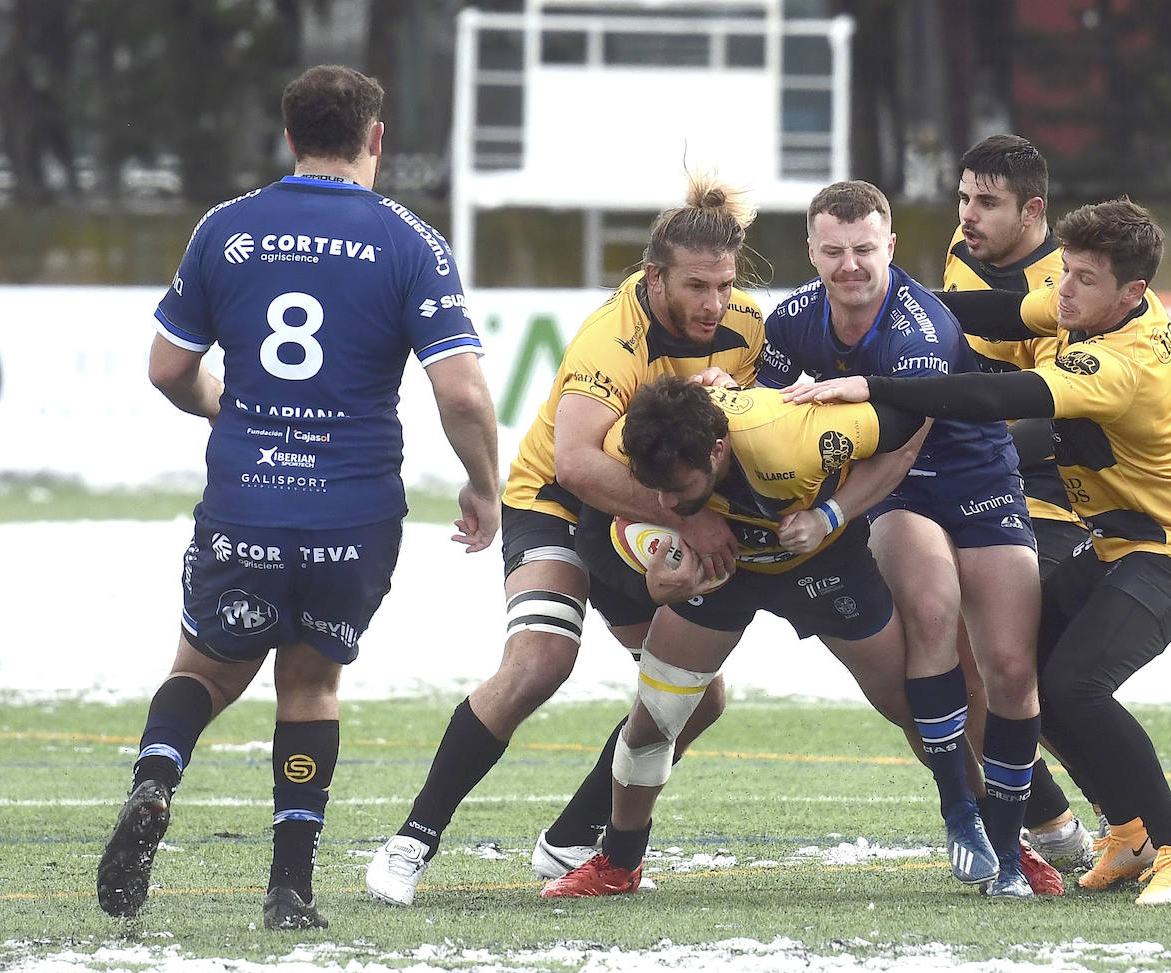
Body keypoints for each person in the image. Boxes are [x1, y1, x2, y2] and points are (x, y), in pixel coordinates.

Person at [95, 65, 500, 929]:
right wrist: (483, 485)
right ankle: (288, 891)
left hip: (246, 499)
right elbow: (462, 394)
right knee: (310, 686)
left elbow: (169, 367)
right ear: (376, 138)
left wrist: (222, 403)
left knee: (201, 670)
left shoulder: (227, 228)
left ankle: (156, 779)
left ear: (290, 137)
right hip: (351, 513)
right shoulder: (410, 240)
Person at [786, 197, 1171, 905]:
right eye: (1067, 272)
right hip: (1121, 541)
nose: (1064, 289)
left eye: (1084, 278)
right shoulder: (1085, 307)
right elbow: (990, 315)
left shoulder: (1119, 361)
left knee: (1077, 686)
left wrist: (874, 382)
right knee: (1025, 676)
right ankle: (1128, 832)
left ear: (1132, 293)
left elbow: (1001, 397)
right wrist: (888, 291)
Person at [364, 174, 764, 906]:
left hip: (640, 510)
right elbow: (579, 463)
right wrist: (685, 516)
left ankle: (575, 837)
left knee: (695, 700)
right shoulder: (611, 340)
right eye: (698, 286)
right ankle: (411, 842)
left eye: (725, 285)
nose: (715, 303)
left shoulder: (745, 325)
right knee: (542, 657)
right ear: (655, 278)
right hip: (555, 499)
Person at [541, 376, 959, 898]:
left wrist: (831, 514)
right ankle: (619, 863)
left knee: (919, 707)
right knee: (653, 723)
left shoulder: (792, 437)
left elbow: (913, 420)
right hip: (724, 572)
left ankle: (1006, 834)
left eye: (679, 488)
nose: (665, 503)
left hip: (819, 560)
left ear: (718, 451)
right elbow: (599, 535)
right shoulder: (629, 440)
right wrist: (650, 583)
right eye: (657, 490)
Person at [755, 180, 1044, 897]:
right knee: (934, 609)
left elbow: (903, 447)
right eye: (832, 251)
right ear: (812, 253)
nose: (849, 265)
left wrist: (827, 516)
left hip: (971, 477)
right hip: (900, 498)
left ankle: (1010, 846)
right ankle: (960, 813)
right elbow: (762, 410)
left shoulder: (922, 326)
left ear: (889, 246)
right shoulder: (791, 320)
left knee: (1009, 666)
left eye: (863, 249)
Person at [945, 134, 1097, 869]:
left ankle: (1112, 817)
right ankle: (1047, 815)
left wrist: (960, 419)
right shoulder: (963, 245)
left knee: (1008, 658)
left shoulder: (1066, 285)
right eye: (964, 197)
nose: (968, 215)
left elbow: (1055, 417)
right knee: (937, 646)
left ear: (1033, 210)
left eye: (988, 203)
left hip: (1047, 489)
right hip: (962, 472)